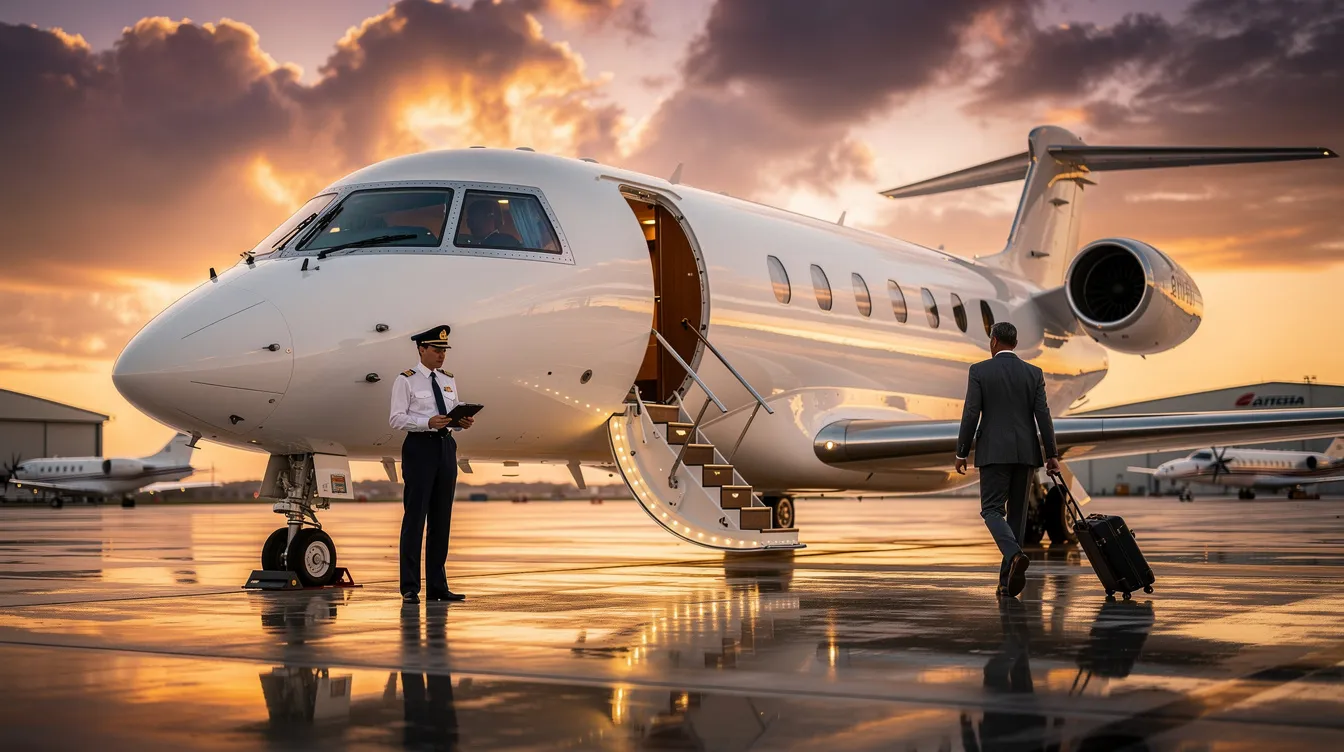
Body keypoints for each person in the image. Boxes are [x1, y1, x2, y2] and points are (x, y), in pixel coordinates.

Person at [954, 321, 1059, 598]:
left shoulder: (979, 371)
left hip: (993, 453)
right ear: (1014, 343)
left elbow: (970, 413)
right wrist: (1052, 455)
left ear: (993, 342)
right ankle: (1006, 583)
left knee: (991, 510)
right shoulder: (1033, 373)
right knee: (1016, 518)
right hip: (1025, 454)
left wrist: (961, 451)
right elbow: (1043, 416)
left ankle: (1014, 555)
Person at [389, 325, 475, 604]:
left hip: (445, 446)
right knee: (415, 518)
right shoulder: (406, 380)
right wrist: (426, 422)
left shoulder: (448, 380)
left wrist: (461, 421)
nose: (441, 356)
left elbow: (451, 410)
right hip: (420, 447)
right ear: (421, 349)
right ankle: (410, 587)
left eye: (444, 351)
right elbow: (396, 419)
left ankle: (438, 586)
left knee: (442, 519)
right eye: (436, 350)